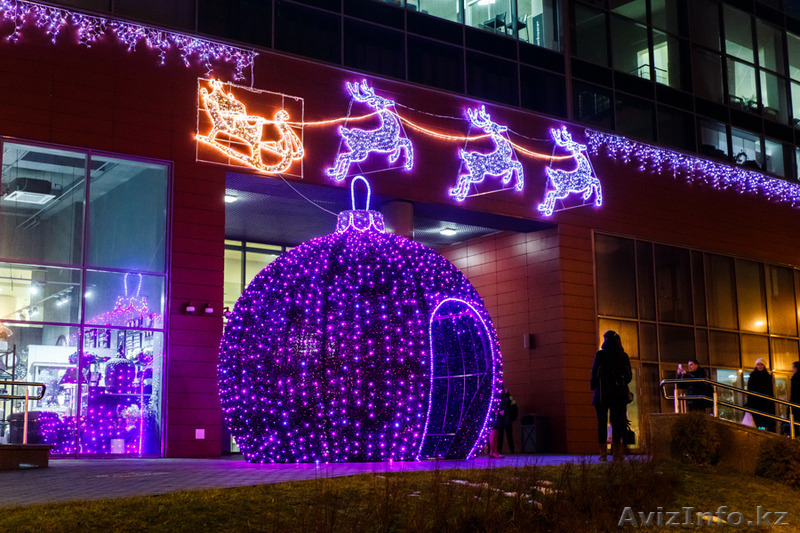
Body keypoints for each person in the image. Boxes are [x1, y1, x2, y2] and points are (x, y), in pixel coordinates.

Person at [590, 330, 632, 462]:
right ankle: (616, 454)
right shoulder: (622, 356)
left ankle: (603, 455)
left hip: (601, 393)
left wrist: (594, 386)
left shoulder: (600, 355)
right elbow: (629, 376)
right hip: (618, 395)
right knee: (617, 423)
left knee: (601, 423)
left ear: (605, 340)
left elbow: (594, 373)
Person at [745, 357, 775, 431]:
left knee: (765, 421)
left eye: (761, 364)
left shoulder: (768, 377)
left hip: (765, 403)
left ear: (764, 366)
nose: (760, 366)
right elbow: (750, 391)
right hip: (756, 403)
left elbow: (770, 391)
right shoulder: (752, 377)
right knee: (756, 421)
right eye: (758, 365)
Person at [489, 387, 509, 458]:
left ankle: (494, 451)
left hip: (496, 410)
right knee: (494, 430)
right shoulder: (496, 385)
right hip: (496, 410)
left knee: (496, 430)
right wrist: (501, 408)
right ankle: (493, 451)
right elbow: (498, 397)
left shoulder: (499, 384)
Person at [497, 389, 518, 454]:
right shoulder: (502, 398)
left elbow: (515, 408)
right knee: (503, 436)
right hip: (504, 420)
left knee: (507, 436)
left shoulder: (508, 398)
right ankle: (502, 449)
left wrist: (513, 418)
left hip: (507, 420)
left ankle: (510, 449)